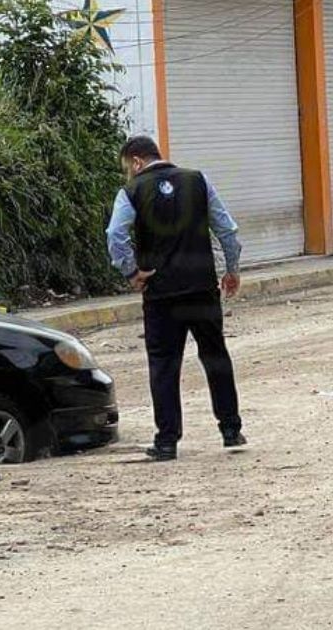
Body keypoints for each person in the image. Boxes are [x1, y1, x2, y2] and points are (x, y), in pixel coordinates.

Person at [105, 136, 247, 461]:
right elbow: (226, 229)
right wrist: (232, 270)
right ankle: (230, 428)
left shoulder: (131, 192)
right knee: (215, 355)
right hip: (201, 289)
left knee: (164, 365)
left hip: (161, 294)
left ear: (137, 161)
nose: (129, 174)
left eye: (128, 168)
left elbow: (115, 235)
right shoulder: (198, 180)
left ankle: (167, 441)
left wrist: (131, 272)